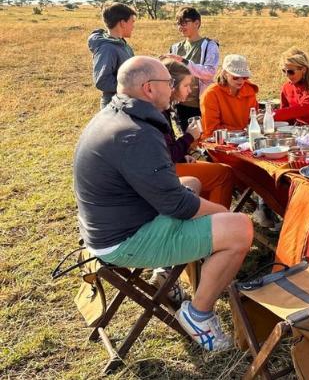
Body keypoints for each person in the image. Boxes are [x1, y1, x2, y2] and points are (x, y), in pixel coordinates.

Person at [73, 56, 253, 351]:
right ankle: (199, 314)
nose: (172, 90)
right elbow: (177, 206)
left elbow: (171, 190)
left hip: (111, 223)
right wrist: (222, 213)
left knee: (191, 184)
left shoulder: (116, 115)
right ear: (148, 88)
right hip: (123, 241)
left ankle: (172, 268)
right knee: (240, 228)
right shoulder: (136, 134)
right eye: (168, 84)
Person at [162, 59, 235, 208]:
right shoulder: (158, 112)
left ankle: (203, 216)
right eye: (186, 85)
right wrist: (189, 137)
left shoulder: (161, 108)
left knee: (213, 170)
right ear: (171, 86)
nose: (190, 90)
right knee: (224, 173)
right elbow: (166, 155)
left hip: (165, 166)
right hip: (162, 172)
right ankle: (215, 223)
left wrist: (183, 156)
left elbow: (165, 149)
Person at [163, 7, 220, 132]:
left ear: (197, 23)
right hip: (180, 103)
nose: (181, 27)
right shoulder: (176, 47)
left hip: (200, 103)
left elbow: (209, 73)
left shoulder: (209, 45)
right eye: (178, 23)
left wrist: (183, 61)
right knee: (186, 140)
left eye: (184, 23)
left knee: (204, 140)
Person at [88, 3, 136, 109]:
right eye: (132, 22)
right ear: (122, 23)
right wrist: (132, 87)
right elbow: (102, 81)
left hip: (124, 103)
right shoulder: (107, 48)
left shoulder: (121, 43)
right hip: (113, 105)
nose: (133, 26)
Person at [200, 54, 259, 139]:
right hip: (219, 141)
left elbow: (252, 120)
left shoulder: (249, 90)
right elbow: (211, 130)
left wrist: (258, 119)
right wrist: (241, 132)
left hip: (245, 139)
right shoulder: (211, 94)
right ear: (224, 74)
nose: (241, 80)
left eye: (244, 77)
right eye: (235, 77)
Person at [274, 48, 309, 125]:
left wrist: (274, 115)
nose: (287, 75)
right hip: (300, 133)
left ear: (303, 69)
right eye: (284, 71)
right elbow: (286, 119)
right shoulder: (286, 87)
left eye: (291, 71)